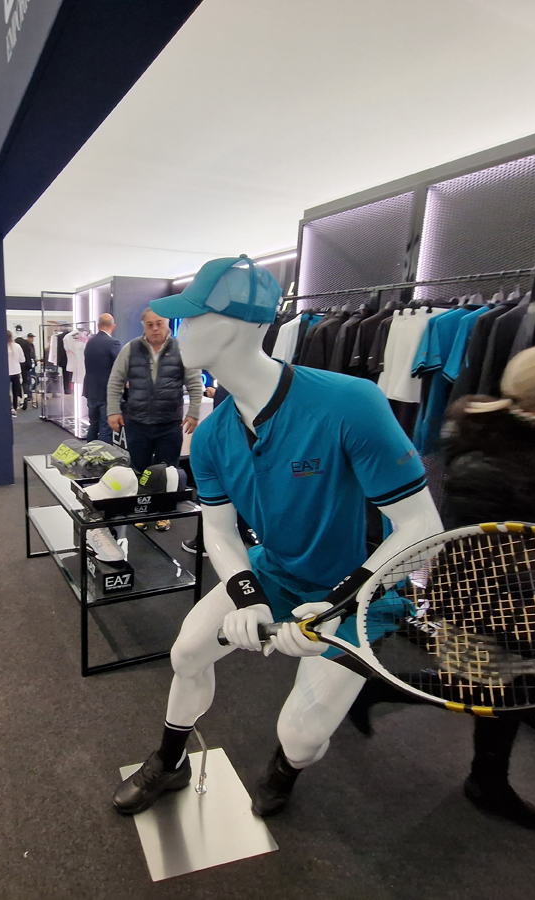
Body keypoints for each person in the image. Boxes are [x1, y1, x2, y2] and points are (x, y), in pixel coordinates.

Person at [111, 256, 442, 820]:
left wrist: (340, 606)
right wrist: (247, 594)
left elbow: (423, 529)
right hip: (278, 570)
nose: (179, 329)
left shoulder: (349, 402)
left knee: (302, 736)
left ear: (239, 325)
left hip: (359, 588)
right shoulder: (214, 433)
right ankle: (171, 761)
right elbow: (218, 529)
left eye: (193, 317)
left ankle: (286, 769)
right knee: (187, 651)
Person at [347, 342, 535, 833]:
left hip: (526, 595)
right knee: (484, 685)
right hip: (481, 597)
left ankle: (488, 781)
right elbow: (491, 553)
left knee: (519, 685)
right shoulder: (497, 457)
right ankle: (380, 690)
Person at [106, 308, 203, 531]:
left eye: (159, 323)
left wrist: (194, 412)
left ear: (167, 323)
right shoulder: (131, 349)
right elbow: (115, 381)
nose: (155, 328)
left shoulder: (182, 349)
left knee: (168, 470)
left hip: (169, 423)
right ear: (144, 326)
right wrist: (113, 410)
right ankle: (142, 511)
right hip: (137, 422)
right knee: (139, 470)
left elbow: (195, 383)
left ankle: (163, 512)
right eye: (150, 324)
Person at [82, 314, 121, 443]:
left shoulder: (90, 342)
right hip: (106, 392)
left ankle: (89, 455)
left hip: (90, 390)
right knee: (105, 428)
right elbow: (119, 367)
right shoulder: (113, 343)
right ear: (113, 327)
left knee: (93, 425)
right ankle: (103, 459)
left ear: (98, 326)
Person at [7, 330, 25, 416]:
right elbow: (22, 360)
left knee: (5, 392)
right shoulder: (17, 346)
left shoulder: (0, 347)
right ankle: (14, 408)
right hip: (16, 371)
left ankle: (6, 408)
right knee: (15, 391)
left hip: (5, 372)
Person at [16, 332, 36, 406]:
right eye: (31, 337)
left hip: (20, 366)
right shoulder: (26, 344)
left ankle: (24, 395)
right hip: (24, 366)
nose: (32, 339)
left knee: (25, 381)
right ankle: (25, 395)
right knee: (25, 381)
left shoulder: (17, 344)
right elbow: (27, 356)